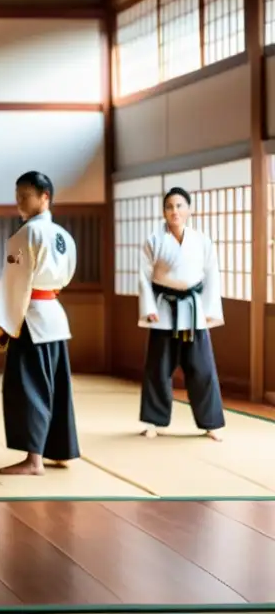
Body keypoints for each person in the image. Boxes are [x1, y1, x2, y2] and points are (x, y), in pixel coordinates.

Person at [0, 171, 80, 476]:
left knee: (27, 388)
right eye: (17, 196)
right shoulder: (63, 236)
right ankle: (61, 450)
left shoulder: (25, 235)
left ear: (44, 197)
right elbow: (64, 278)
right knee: (55, 386)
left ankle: (33, 459)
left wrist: (4, 327)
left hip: (31, 318)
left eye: (25, 196)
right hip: (54, 313)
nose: (19, 203)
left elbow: (16, 284)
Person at [137, 187, 226, 441]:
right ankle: (154, 421)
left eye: (179, 206)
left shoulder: (201, 241)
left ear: (188, 210)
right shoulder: (154, 240)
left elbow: (211, 275)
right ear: (164, 212)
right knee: (158, 368)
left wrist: (210, 311)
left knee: (203, 368)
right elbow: (144, 276)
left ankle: (211, 423)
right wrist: (149, 308)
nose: (174, 211)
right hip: (164, 309)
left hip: (194, 309)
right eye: (169, 206)